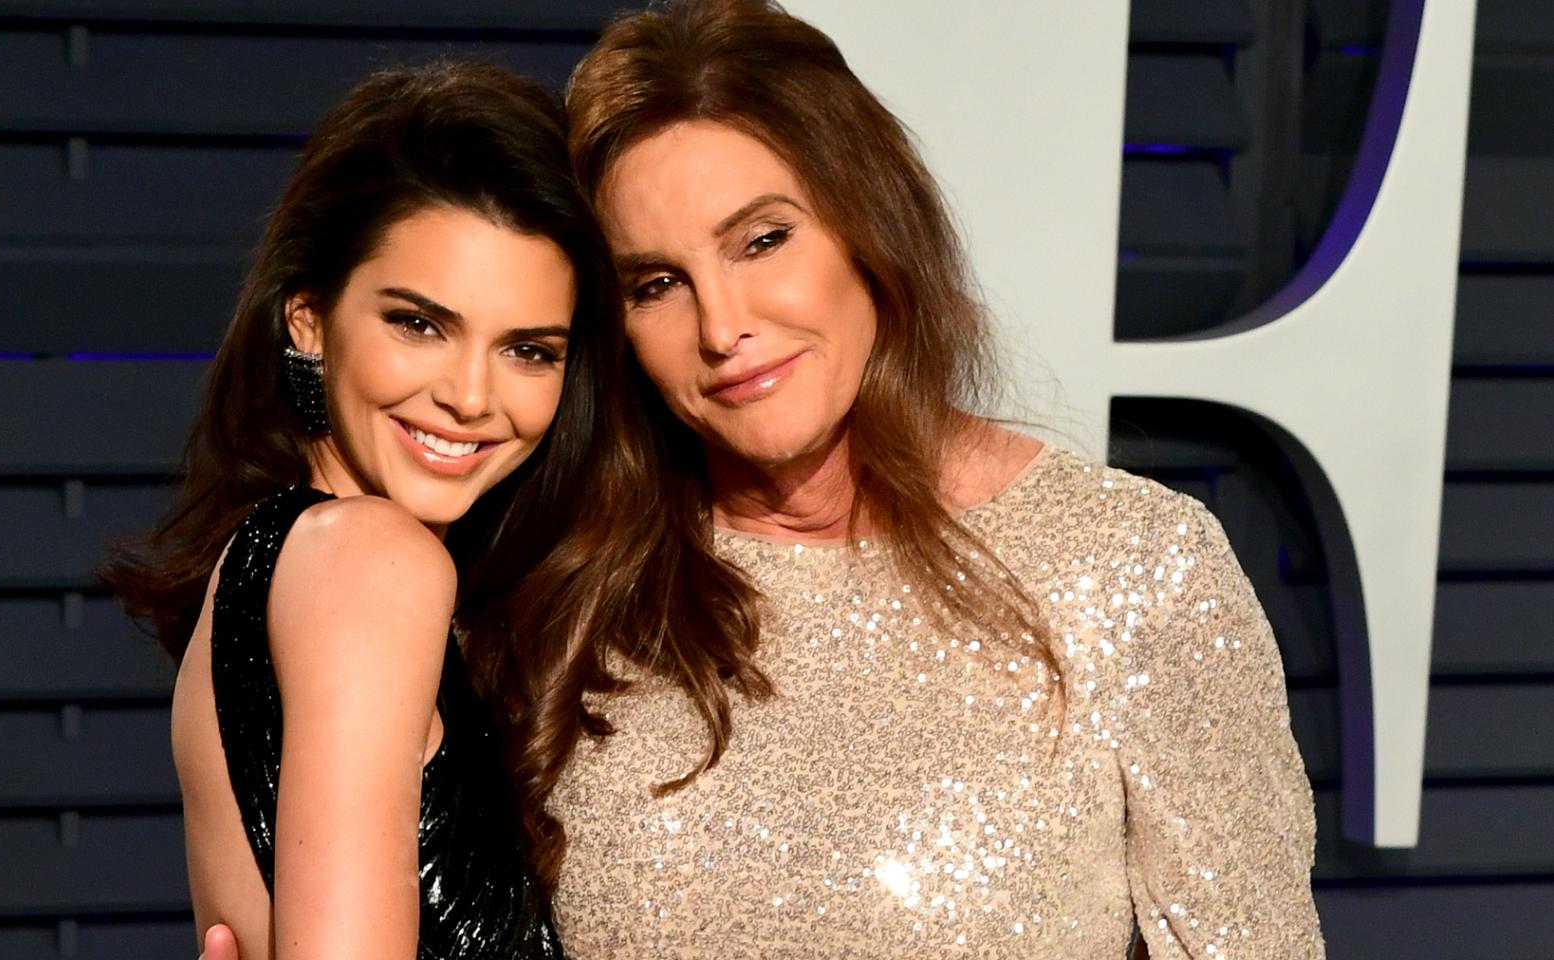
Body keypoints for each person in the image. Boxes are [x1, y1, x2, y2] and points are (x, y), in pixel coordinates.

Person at [196, 1, 1325, 957]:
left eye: (762, 240)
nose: (722, 326)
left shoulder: (1130, 569)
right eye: (655, 283)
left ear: (868, 221)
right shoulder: (559, 577)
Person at [105, 61, 636, 960]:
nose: (471, 397)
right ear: (308, 317)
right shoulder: (373, 559)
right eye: (419, 324)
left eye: (528, 350)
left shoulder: (276, 557)